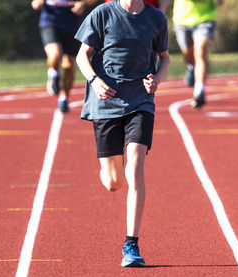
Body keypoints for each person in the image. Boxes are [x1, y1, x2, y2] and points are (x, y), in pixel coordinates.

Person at [75, 0, 170, 267]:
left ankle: (131, 244)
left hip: (140, 102)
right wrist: (94, 81)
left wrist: (158, 78)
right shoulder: (102, 14)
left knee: (136, 166)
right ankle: (107, 171)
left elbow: (164, 57)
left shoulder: (156, 19)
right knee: (113, 182)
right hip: (106, 103)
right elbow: (82, 55)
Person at [31, 0, 93, 112]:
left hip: (72, 25)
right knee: (55, 54)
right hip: (50, 23)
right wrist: (37, 3)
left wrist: (82, 4)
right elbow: (35, 2)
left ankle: (64, 97)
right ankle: (54, 73)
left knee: (68, 64)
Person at [172, 0, 225, 108]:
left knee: (200, 51)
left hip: (205, 19)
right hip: (182, 19)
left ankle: (199, 90)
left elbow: (220, 3)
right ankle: (191, 67)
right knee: (188, 54)